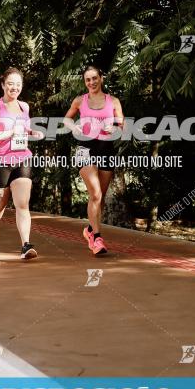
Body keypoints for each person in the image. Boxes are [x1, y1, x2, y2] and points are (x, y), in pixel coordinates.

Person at [0, 67, 44, 260]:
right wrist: (7, 134)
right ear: (3, 85)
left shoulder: (24, 107)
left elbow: (25, 128)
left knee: (22, 204)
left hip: (21, 158)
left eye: (18, 84)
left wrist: (34, 133)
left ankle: (25, 245)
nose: (14, 87)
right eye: (10, 84)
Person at [63, 65, 125, 256]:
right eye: (88, 79)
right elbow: (67, 119)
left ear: (101, 78)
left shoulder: (113, 101)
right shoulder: (80, 100)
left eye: (94, 78)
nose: (91, 82)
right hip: (85, 148)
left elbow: (122, 126)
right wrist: (73, 127)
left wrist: (114, 128)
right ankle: (96, 238)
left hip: (106, 148)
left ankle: (89, 230)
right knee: (96, 194)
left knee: (100, 197)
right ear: (85, 82)